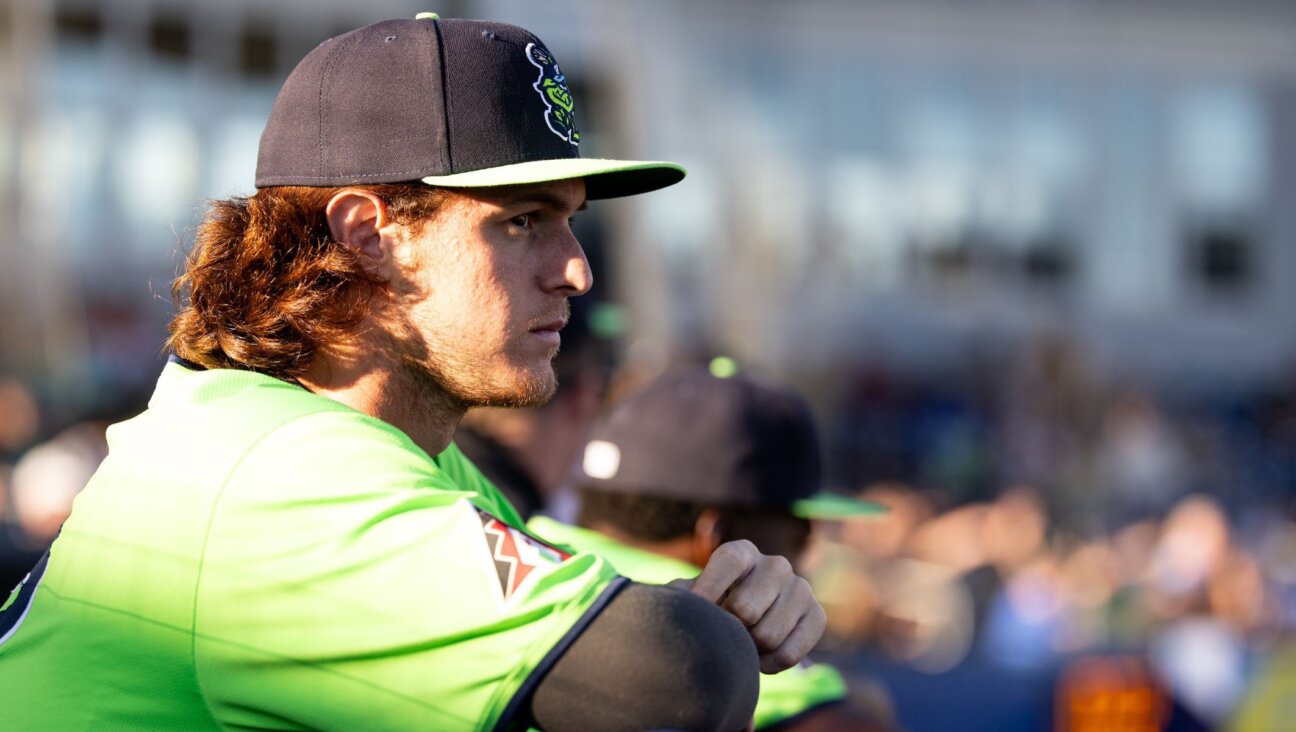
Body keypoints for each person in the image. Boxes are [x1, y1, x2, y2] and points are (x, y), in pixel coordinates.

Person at [0, 15, 826, 732]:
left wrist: (721, 598)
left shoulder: (350, 442)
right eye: (524, 223)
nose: (575, 270)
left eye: (570, 223)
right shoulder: (279, 469)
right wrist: (714, 623)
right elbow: (670, 677)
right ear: (368, 233)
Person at [528, 366, 893, 731]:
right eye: (798, 531)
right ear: (717, 538)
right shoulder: (715, 636)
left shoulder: (512, 552)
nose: (810, 551)